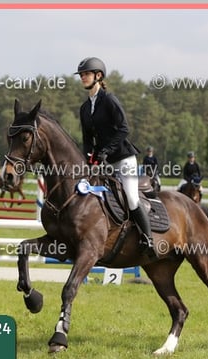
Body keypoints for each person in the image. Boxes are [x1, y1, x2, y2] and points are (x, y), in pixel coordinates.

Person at [76, 56, 155, 256]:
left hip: (123, 158)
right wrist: (89, 158)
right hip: (103, 162)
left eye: (86, 74)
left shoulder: (109, 100)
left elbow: (123, 129)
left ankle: (148, 240)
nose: (83, 77)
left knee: (131, 198)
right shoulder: (84, 108)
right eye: (81, 74)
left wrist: (106, 151)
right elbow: (87, 139)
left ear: (98, 76)